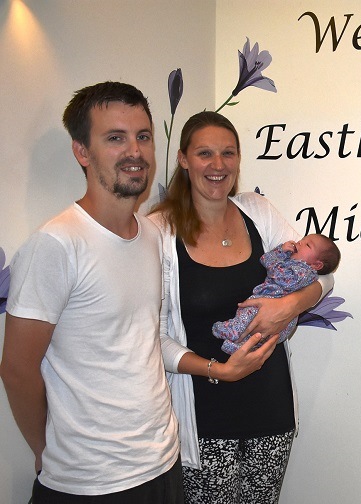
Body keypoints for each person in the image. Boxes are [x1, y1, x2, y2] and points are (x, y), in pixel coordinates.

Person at [0, 81, 184, 502]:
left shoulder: (153, 234)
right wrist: (45, 451)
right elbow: (16, 369)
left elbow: (144, 339)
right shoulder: (57, 244)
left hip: (162, 463)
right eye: (115, 138)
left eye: (143, 136)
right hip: (90, 483)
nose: (134, 151)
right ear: (82, 152)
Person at [149, 110, 334, 503]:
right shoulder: (157, 231)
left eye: (228, 153)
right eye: (205, 154)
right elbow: (152, 337)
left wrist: (287, 308)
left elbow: (322, 276)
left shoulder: (257, 211)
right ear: (183, 159)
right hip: (203, 416)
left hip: (270, 407)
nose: (218, 165)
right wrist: (222, 371)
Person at [213, 234, 341, 354]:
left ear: (317, 265)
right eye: (303, 239)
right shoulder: (291, 262)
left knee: (249, 313)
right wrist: (281, 251)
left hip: (277, 313)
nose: (300, 242)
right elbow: (265, 259)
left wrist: (279, 256)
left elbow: (279, 276)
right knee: (255, 334)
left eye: (308, 245)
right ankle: (237, 346)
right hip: (272, 310)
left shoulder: (304, 272)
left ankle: (232, 330)